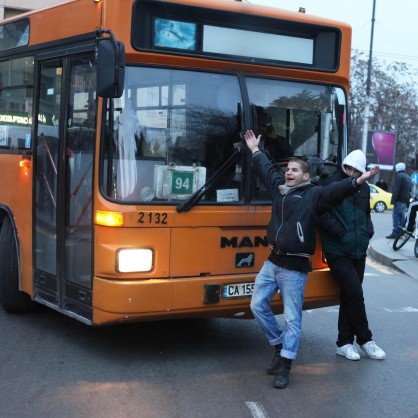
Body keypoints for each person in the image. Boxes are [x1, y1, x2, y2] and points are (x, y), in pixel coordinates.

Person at [244, 130, 379, 389]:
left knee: (293, 319)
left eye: (295, 170)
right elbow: (266, 169)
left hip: (294, 268)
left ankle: (285, 364)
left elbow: (337, 191)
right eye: (288, 169)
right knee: (257, 306)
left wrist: (358, 181)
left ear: (305, 176)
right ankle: (280, 345)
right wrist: (255, 150)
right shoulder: (280, 189)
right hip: (273, 262)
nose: (289, 172)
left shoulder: (313, 195)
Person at [319, 150, 386, 362]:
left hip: (358, 248)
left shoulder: (364, 188)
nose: (351, 172)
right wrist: (339, 233)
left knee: (350, 295)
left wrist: (368, 230)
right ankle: (365, 339)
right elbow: (320, 212)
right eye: (348, 168)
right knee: (355, 293)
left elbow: (366, 213)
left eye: (356, 170)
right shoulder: (332, 184)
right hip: (337, 250)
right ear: (344, 166)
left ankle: (344, 342)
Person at [386, 162, 411, 239]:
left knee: (396, 216)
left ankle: (395, 233)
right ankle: (401, 233)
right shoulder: (407, 176)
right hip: (404, 200)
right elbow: (408, 190)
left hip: (399, 200)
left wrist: (393, 200)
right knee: (402, 216)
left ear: (398, 168)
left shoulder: (399, 176)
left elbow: (396, 189)